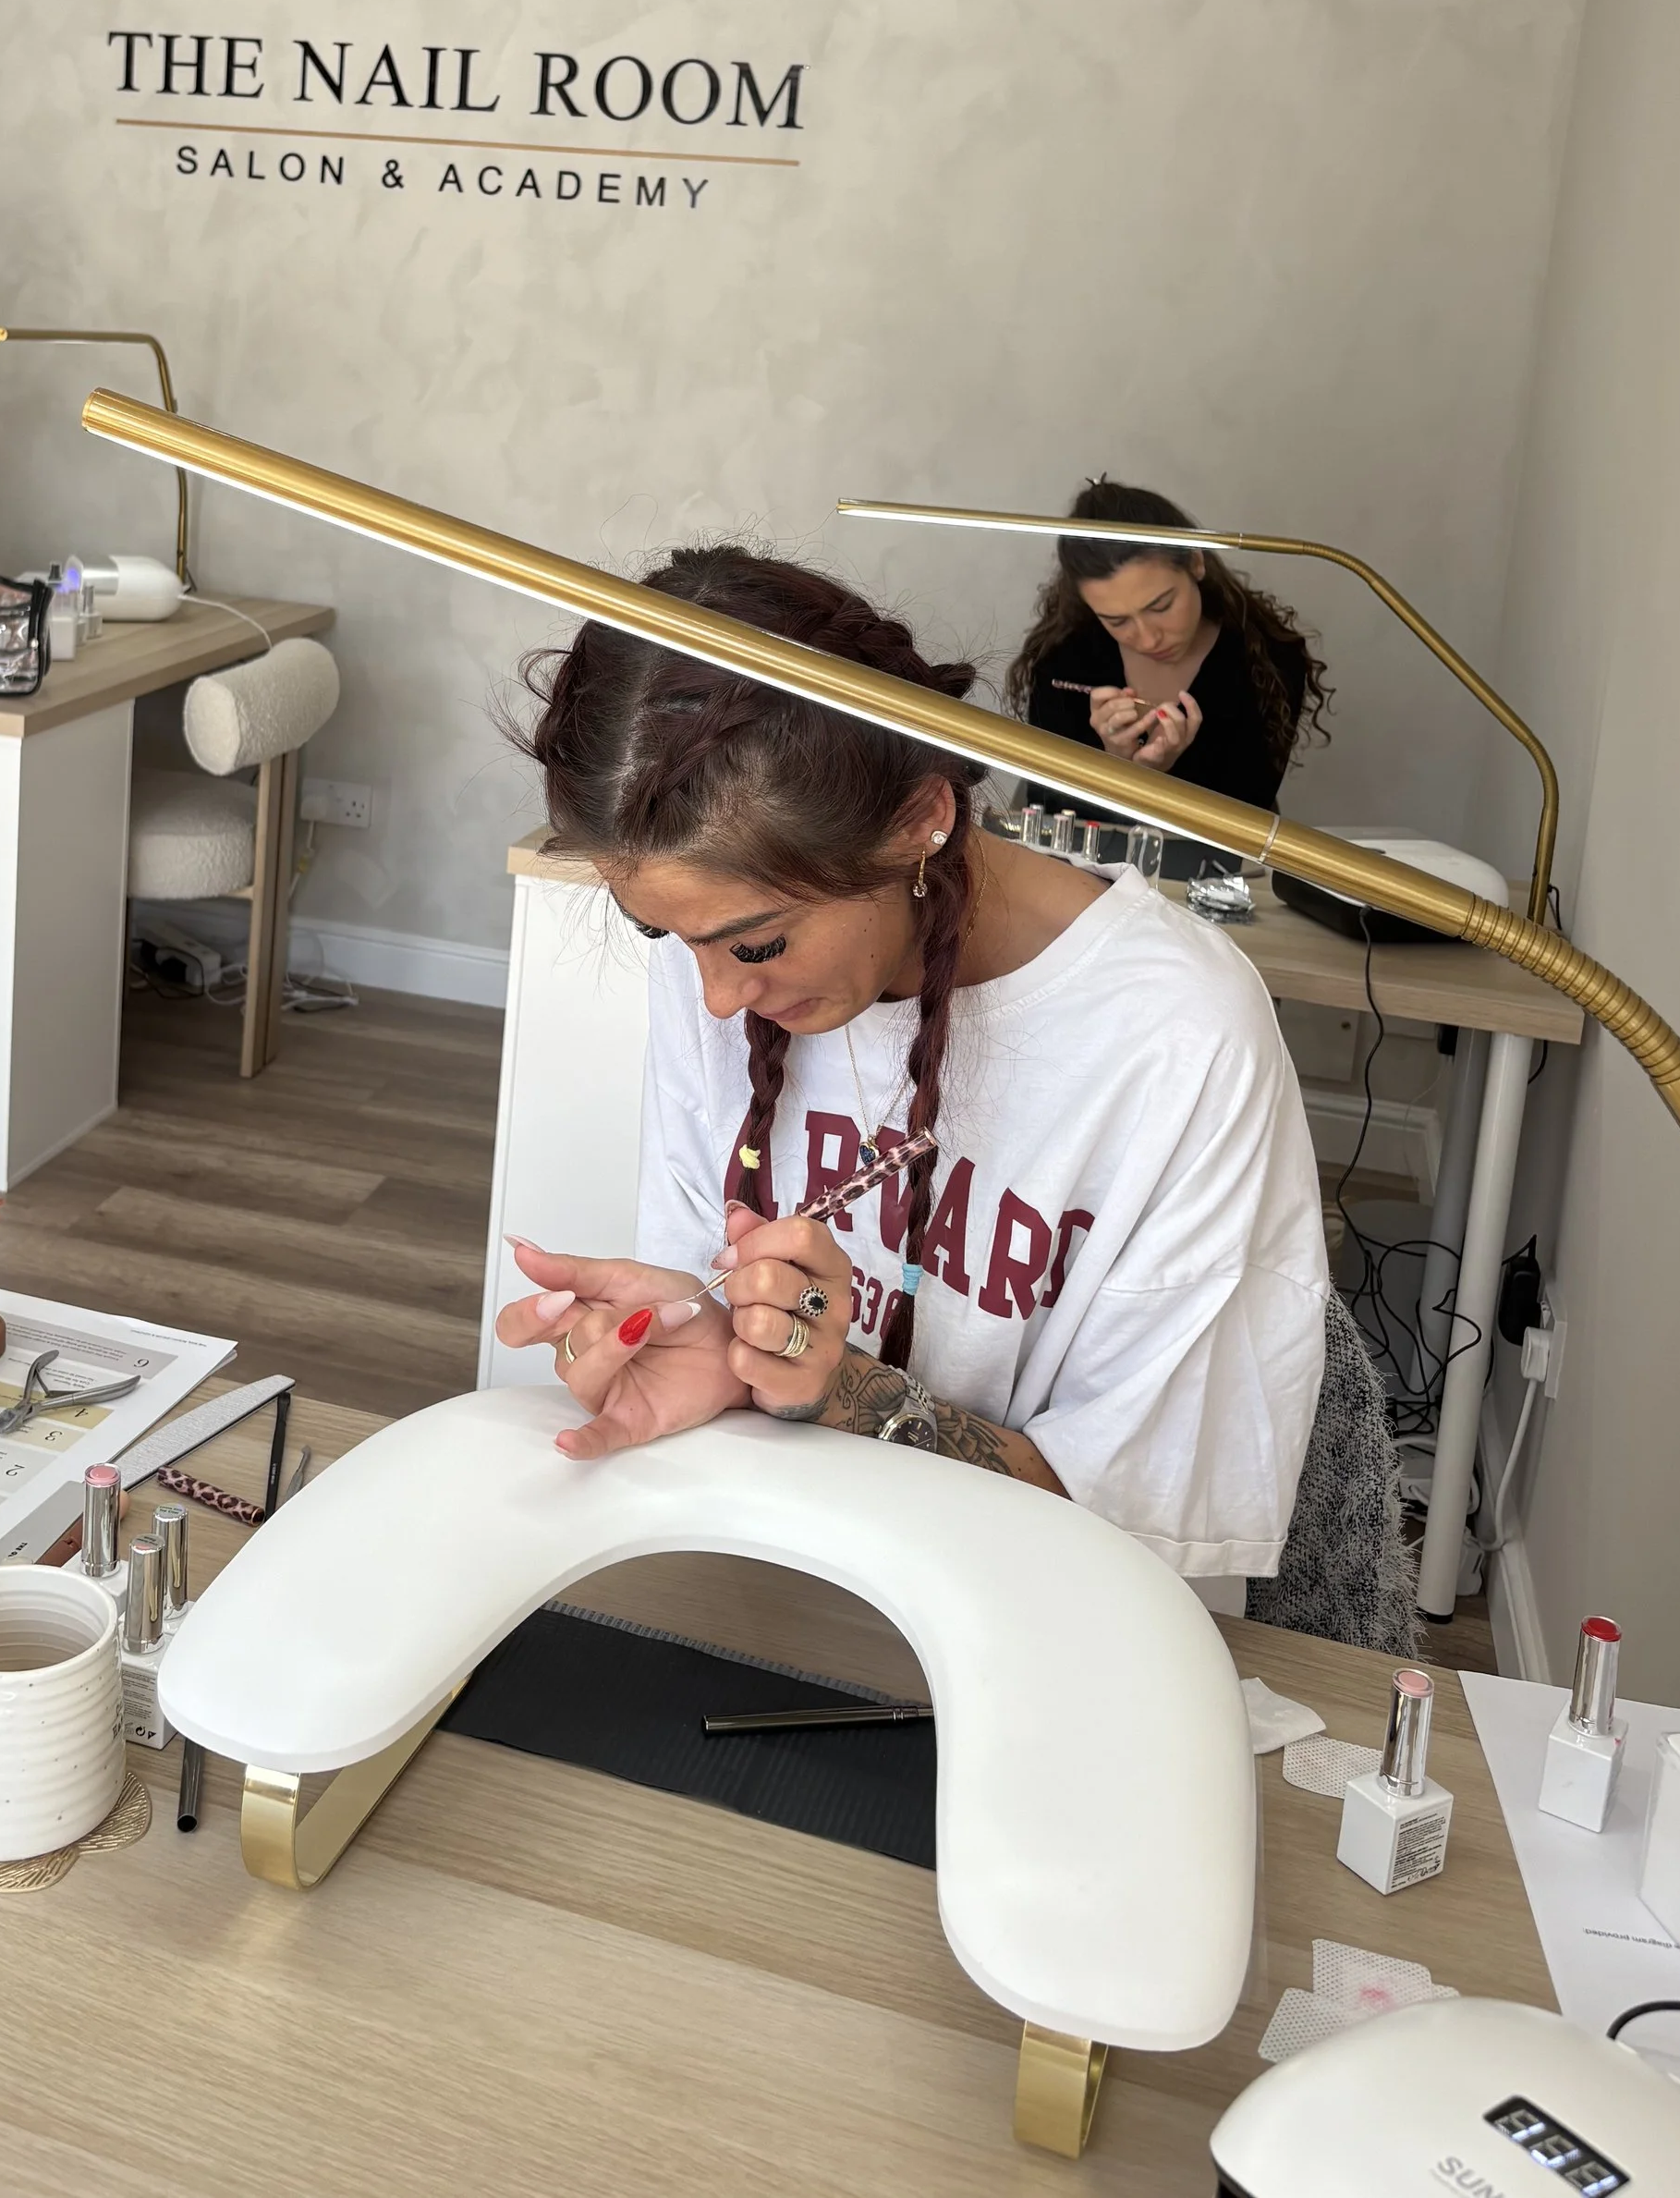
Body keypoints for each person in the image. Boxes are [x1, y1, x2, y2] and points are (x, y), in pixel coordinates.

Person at [494, 548, 1330, 1594]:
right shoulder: (727, 960)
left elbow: (1143, 1531)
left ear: (918, 823)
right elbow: (711, 1301)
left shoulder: (1175, 1037)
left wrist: (849, 1394)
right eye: (665, 936)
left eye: (754, 945)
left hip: (1057, 1623)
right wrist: (706, 1343)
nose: (713, 998)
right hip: (776, 1575)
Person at [1004, 479, 1331, 810]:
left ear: (1196, 562)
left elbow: (1248, 815)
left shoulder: (1268, 659)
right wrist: (1117, 765)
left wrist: (1159, 777)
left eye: (1160, 606)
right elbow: (1048, 815)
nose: (1148, 639)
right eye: (1117, 621)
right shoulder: (1063, 660)